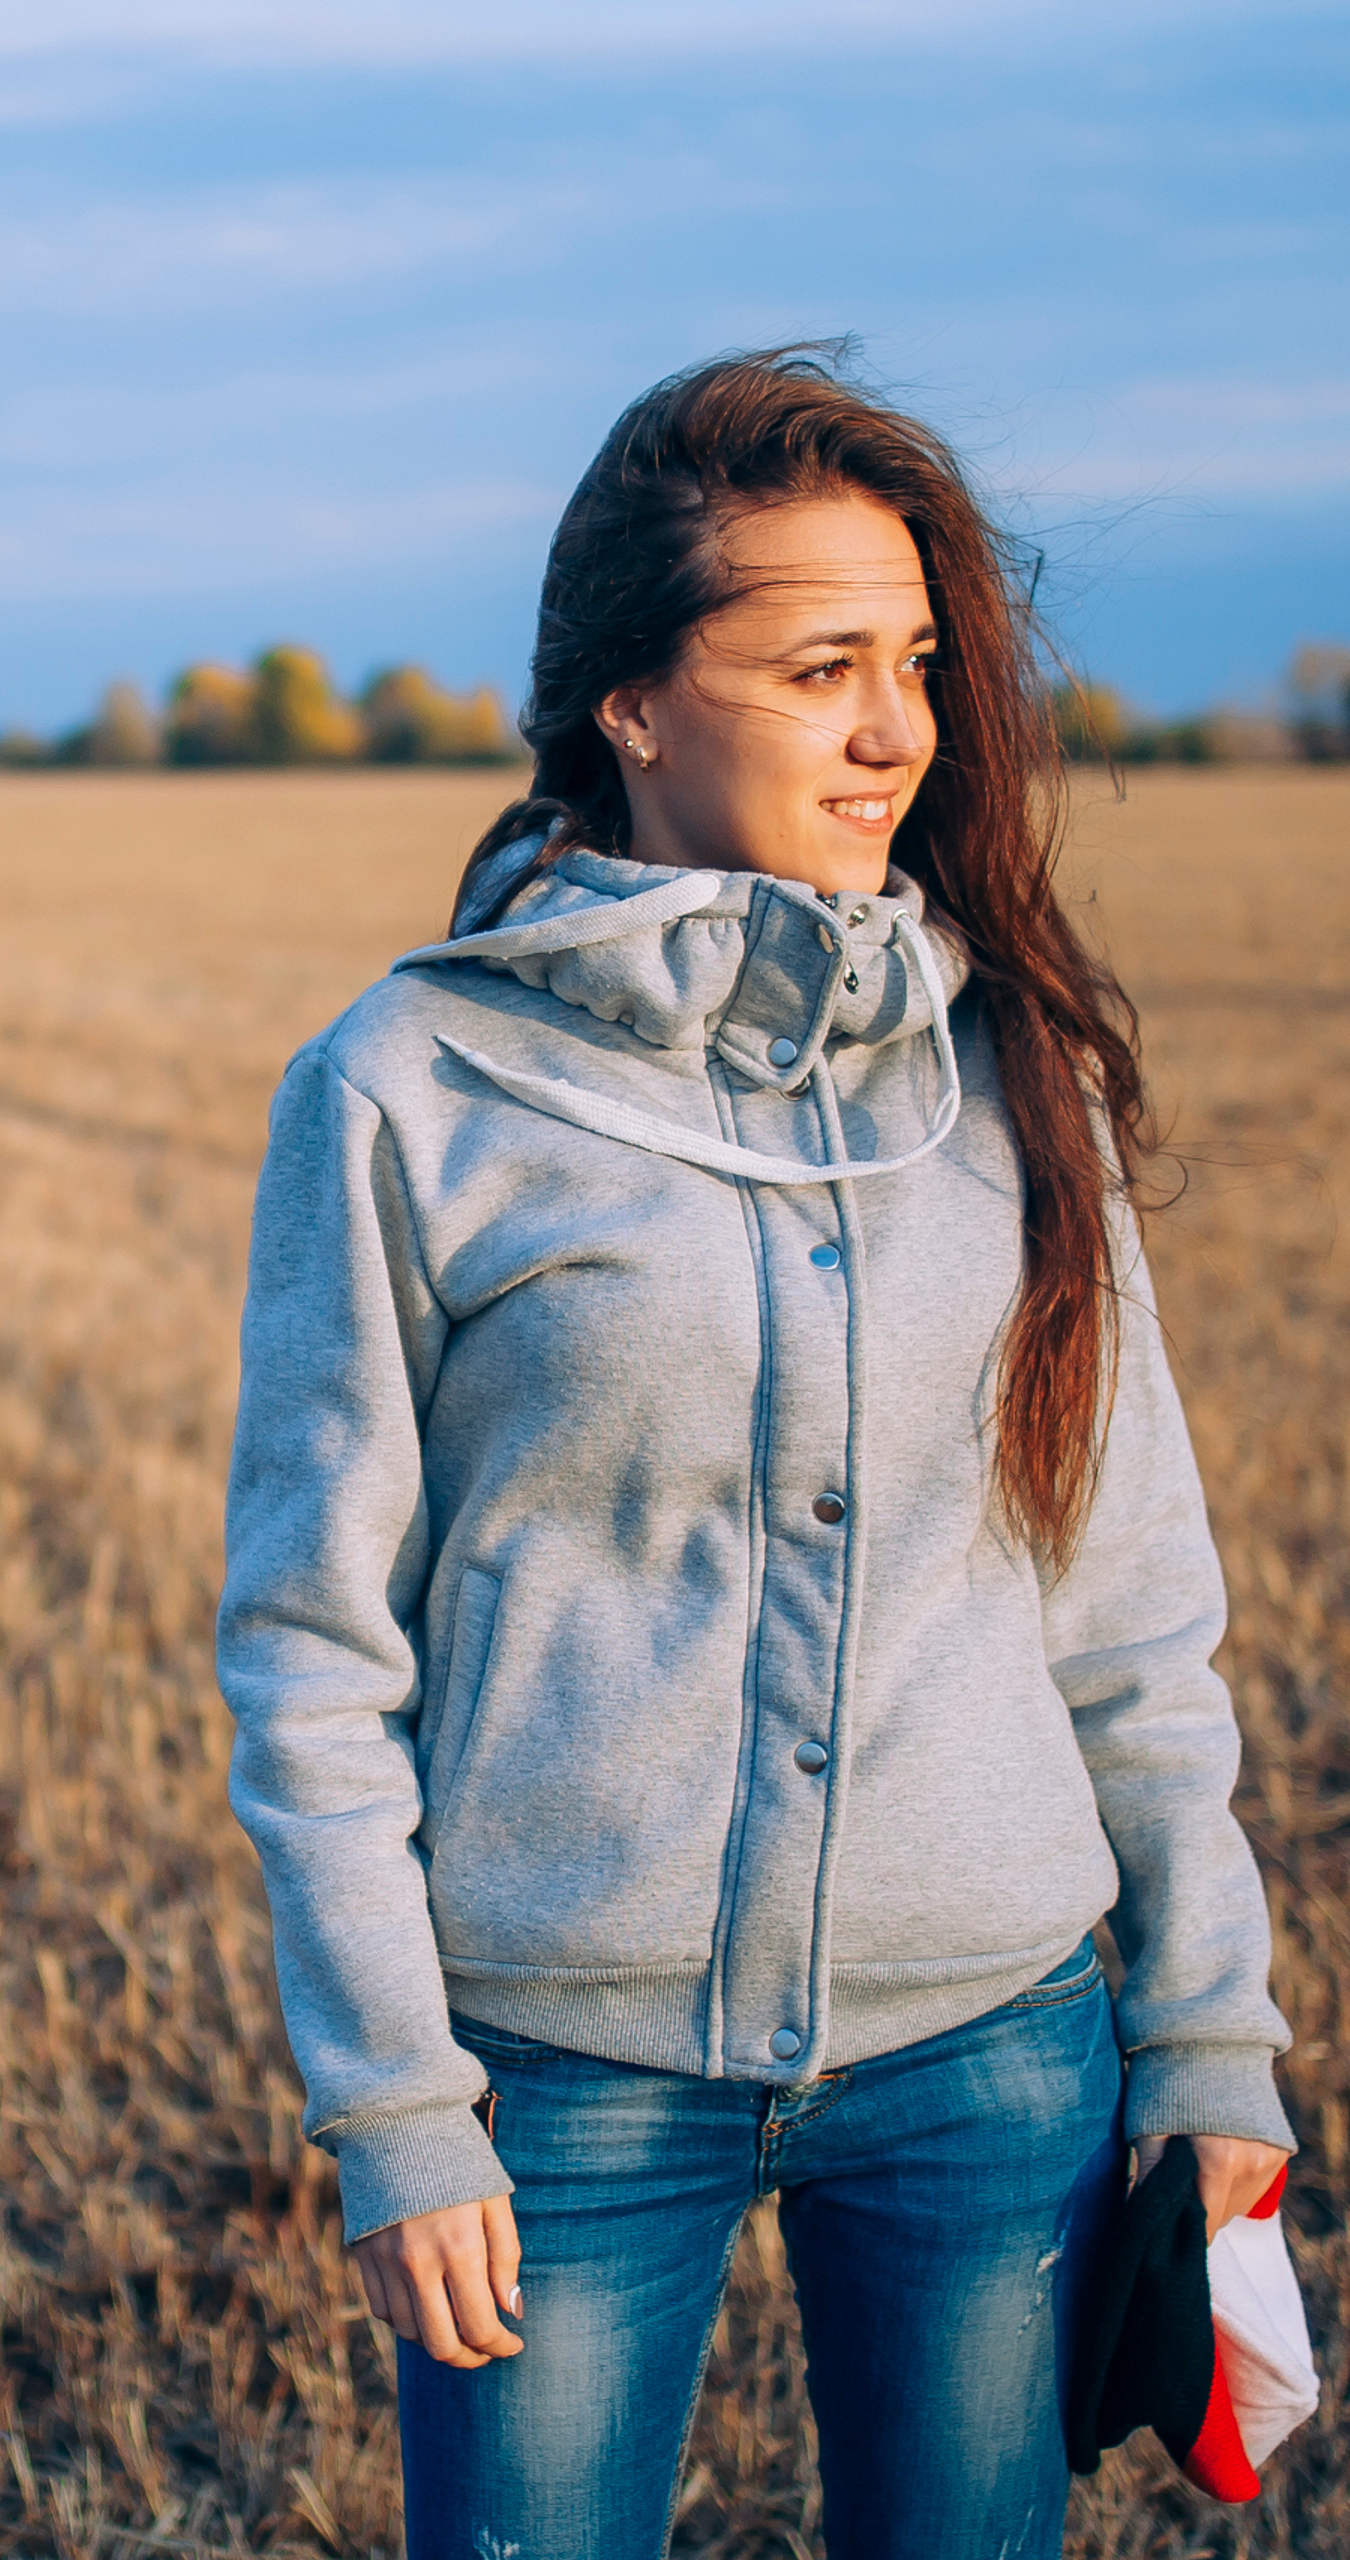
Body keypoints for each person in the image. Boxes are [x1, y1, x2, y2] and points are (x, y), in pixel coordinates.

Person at [217, 348, 1295, 2560]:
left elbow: (1124, 1613)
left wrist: (1202, 2037)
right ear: (628, 700)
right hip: (561, 2081)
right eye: (817, 668)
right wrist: (399, 2102)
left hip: (990, 2050)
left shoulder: (1014, 1073)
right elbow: (311, 1651)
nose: (894, 728)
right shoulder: (405, 1088)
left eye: (909, 663)